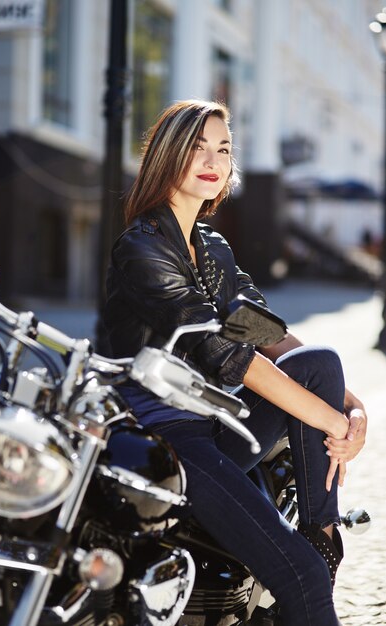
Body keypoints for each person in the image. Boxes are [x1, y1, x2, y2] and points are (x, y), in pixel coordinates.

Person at [103, 99, 367, 626]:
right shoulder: (142, 248)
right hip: (166, 438)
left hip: (215, 420)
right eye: (197, 146)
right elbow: (232, 357)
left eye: (223, 148)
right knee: (304, 578)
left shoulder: (214, 247)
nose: (212, 159)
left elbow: (266, 333)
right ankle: (308, 564)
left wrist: (352, 409)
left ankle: (323, 531)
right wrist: (331, 421)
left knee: (320, 363)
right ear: (167, 155)